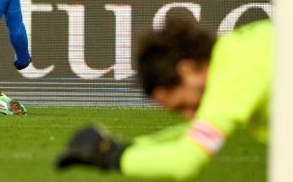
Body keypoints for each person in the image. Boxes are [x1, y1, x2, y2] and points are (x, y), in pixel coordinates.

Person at [56, 17, 272, 180]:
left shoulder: (234, 72)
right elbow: (195, 130)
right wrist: (126, 147)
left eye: (183, 106)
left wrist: (114, 157)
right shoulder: (240, 49)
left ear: (187, 70)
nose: (189, 115)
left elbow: (185, 162)